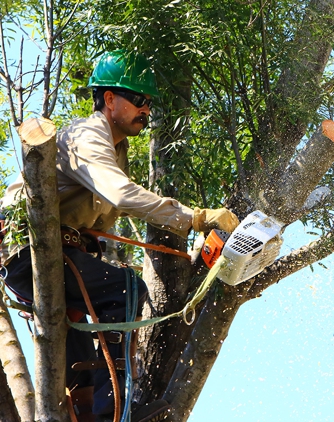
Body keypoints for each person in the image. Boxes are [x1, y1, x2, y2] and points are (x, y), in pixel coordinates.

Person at [0, 50, 239, 422]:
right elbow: (122, 194)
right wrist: (195, 217)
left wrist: (188, 240)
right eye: (139, 100)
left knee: (80, 314)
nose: (146, 109)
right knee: (127, 290)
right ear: (109, 99)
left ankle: (84, 411)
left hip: (46, 254)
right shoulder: (88, 135)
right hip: (28, 251)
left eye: (148, 103)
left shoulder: (116, 147)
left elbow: (116, 208)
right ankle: (116, 412)